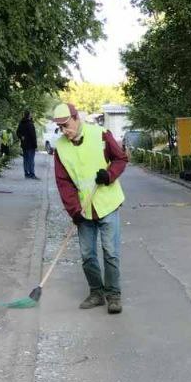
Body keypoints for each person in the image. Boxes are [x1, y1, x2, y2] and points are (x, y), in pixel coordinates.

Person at [51, 101, 128, 313]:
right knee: (87, 255)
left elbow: (121, 159)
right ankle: (96, 293)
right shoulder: (60, 148)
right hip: (83, 210)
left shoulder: (100, 134)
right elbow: (63, 182)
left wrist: (109, 175)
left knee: (110, 252)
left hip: (107, 204)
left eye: (67, 125)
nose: (65, 131)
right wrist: (73, 210)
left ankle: (113, 295)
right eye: (61, 127)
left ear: (77, 118)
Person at [16, 109, 39, 179]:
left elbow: (17, 132)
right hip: (31, 145)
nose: (32, 115)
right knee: (31, 159)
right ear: (29, 115)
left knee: (25, 159)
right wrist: (35, 145)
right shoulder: (30, 124)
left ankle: (26, 173)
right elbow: (33, 135)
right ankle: (32, 174)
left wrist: (21, 137)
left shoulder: (21, 123)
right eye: (31, 114)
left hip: (24, 145)